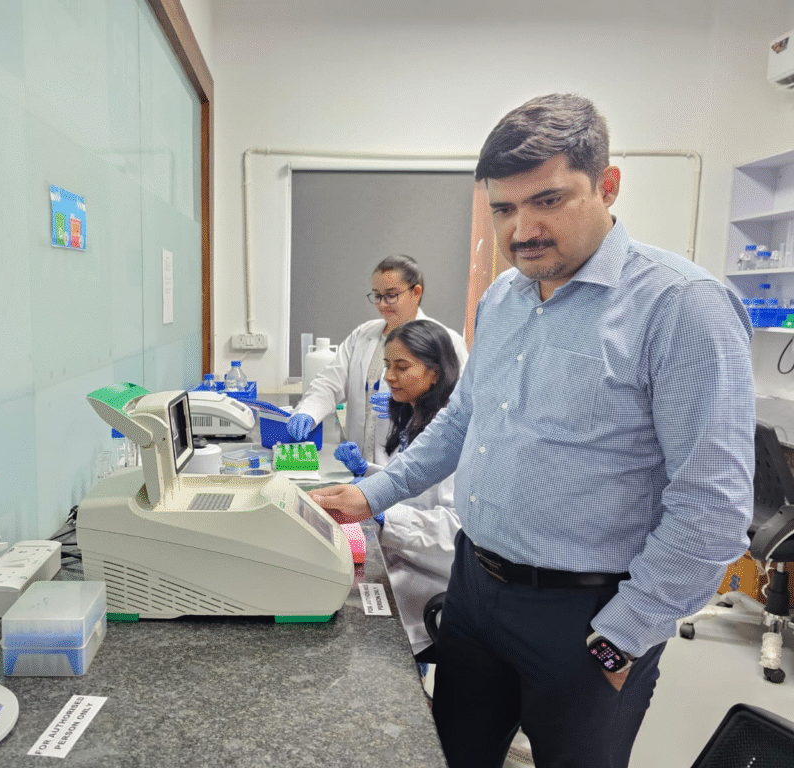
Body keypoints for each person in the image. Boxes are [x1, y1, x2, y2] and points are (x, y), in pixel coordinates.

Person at [312, 93, 755, 768]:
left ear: (606, 186)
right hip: (474, 591)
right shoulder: (504, 298)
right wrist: (373, 493)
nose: (522, 230)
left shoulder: (681, 307)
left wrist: (623, 637)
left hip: (587, 616)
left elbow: (713, 509)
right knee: (451, 755)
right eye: (504, 209)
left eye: (548, 200)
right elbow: (466, 419)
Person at [334, 319, 461, 662]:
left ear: (435, 373)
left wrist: (385, 514)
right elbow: (409, 482)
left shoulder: (452, 436)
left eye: (401, 367)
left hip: (430, 582)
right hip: (401, 564)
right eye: (388, 365)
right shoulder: (412, 416)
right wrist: (369, 474)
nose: (389, 376)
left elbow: (457, 532)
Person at [285, 254, 469, 465]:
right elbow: (329, 383)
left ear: (416, 292)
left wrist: (408, 407)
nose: (383, 304)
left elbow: (460, 406)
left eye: (391, 295)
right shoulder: (363, 335)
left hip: (412, 470)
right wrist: (307, 412)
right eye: (377, 296)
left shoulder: (444, 340)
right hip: (359, 465)